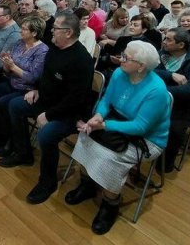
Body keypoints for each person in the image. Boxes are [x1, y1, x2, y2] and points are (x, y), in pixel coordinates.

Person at [68, 41, 171, 234]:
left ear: (141, 66)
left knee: (111, 158)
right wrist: (98, 115)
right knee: (85, 137)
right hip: (117, 122)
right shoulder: (119, 73)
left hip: (148, 139)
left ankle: (110, 205)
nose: (120, 59)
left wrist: (105, 125)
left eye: (126, 57)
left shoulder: (157, 90)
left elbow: (141, 126)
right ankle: (87, 184)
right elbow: (107, 100)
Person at [0, 12, 94, 207]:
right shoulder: (54, 48)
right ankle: (23, 153)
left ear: (68, 33)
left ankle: (47, 182)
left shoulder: (81, 59)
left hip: (68, 112)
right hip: (47, 102)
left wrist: (48, 115)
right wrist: (35, 89)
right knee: (15, 105)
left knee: (46, 135)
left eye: (55, 28)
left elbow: (75, 99)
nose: (51, 30)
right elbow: (46, 78)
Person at [0, 16, 49, 153]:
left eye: (24, 29)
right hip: (12, 81)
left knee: (4, 102)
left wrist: (13, 66)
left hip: (27, 88)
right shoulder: (19, 43)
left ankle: (11, 140)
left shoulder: (42, 51)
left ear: (34, 33)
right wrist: (5, 63)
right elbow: (7, 71)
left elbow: (32, 77)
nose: (20, 31)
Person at [155, 28, 190, 172]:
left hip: (181, 104)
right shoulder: (162, 55)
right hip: (157, 99)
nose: (164, 42)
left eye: (168, 39)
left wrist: (162, 91)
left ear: (181, 45)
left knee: (174, 130)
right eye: (165, 38)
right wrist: (170, 75)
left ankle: (166, 163)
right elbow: (148, 70)